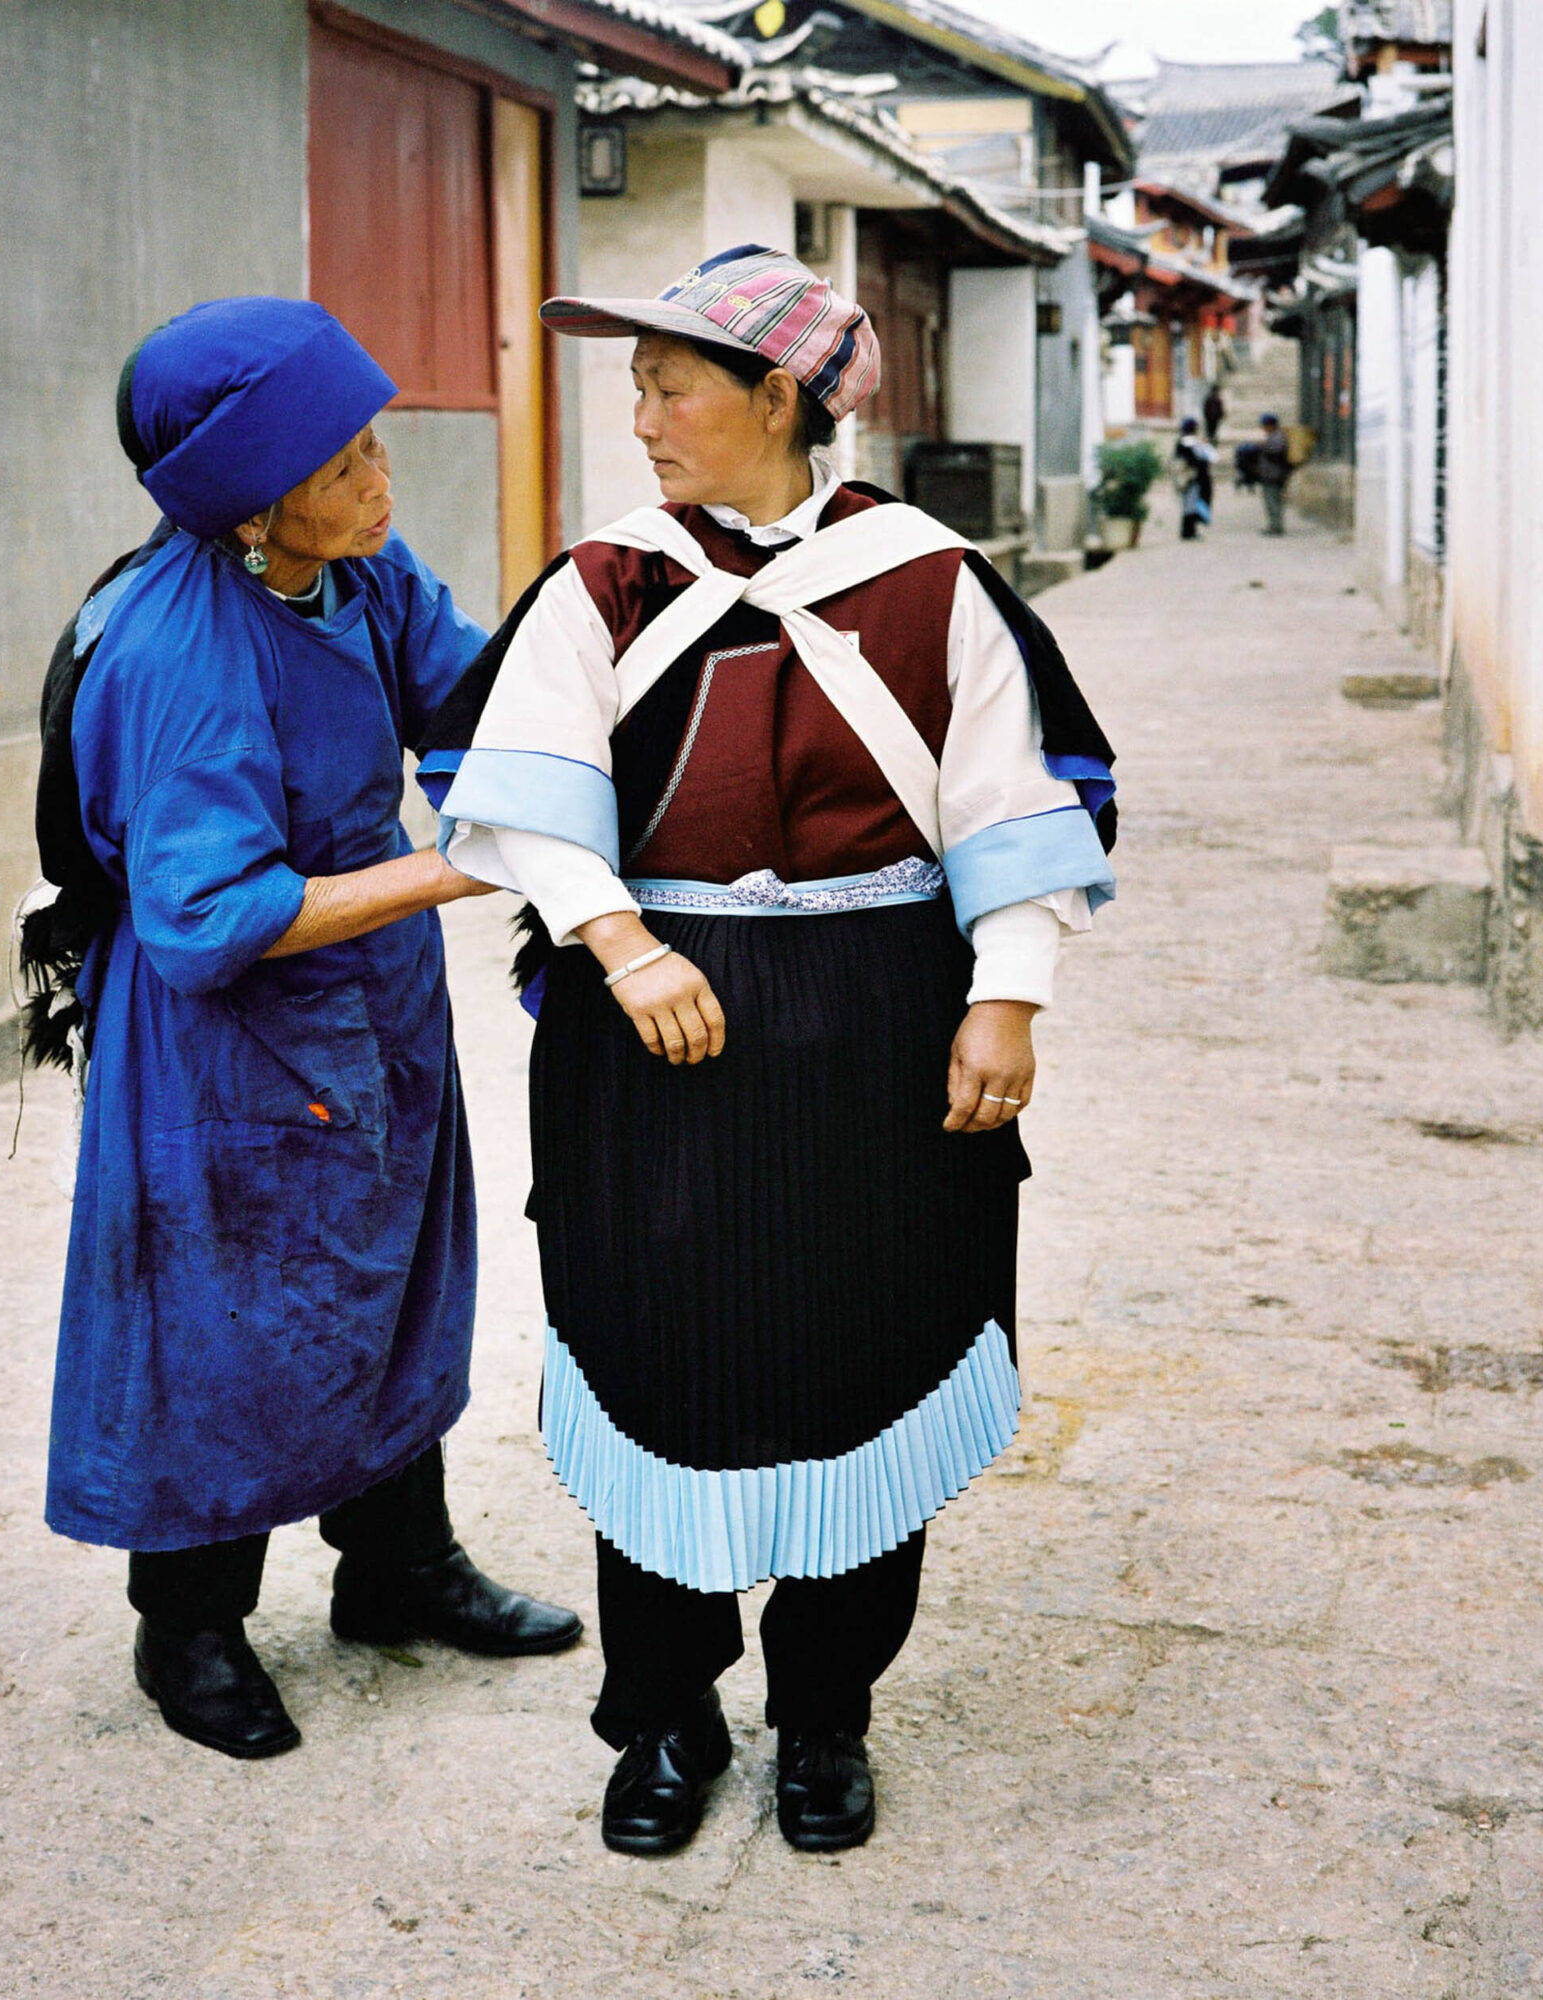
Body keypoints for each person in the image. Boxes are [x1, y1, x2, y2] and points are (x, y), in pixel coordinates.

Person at [418, 247, 1116, 1855]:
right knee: (661, 1358)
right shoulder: (603, 581)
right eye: (640, 382)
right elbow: (513, 788)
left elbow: (1019, 800)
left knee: (865, 1356)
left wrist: (1005, 994)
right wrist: (618, 939)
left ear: (781, 397)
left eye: (675, 383)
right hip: (652, 1029)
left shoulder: (932, 580)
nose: (643, 412)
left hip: (882, 1025)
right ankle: (663, 1720)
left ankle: (826, 1715)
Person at [42, 297, 580, 1762]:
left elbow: (465, 702)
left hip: (375, 1010)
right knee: (219, 1322)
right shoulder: (180, 653)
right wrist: (466, 863)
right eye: (344, 463)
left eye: (374, 444)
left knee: (395, 1276)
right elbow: (208, 920)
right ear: (254, 504)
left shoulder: (358, 573)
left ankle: (398, 1568)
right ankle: (193, 1626)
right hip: (230, 1045)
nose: (379, 479)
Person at [1175, 416, 1216, 540]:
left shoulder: (1182, 442)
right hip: (1193, 478)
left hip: (1188, 478)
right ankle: (1189, 532)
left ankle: (1188, 530)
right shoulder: (1189, 442)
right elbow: (1200, 459)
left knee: (1188, 504)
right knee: (1191, 505)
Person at [1256, 412, 1292, 534]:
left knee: (1274, 501)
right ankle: (1273, 525)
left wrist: (1263, 447)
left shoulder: (1278, 437)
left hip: (1275, 475)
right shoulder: (1272, 436)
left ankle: (1276, 526)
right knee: (1270, 501)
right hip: (1270, 474)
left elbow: (1276, 452)